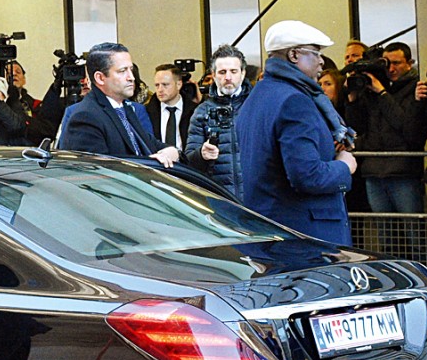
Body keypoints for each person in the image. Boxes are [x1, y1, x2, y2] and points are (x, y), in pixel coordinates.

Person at [232, 21, 356, 243]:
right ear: (294, 55)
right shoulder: (295, 101)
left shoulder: (256, 97)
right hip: (306, 237)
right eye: (315, 53)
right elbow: (308, 176)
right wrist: (344, 167)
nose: (321, 61)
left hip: (271, 229)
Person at [56, 43, 179, 166]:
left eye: (131, 70)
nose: (131, 77)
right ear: (100, 78)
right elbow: (101, 172)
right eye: (122, 71)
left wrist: (171, 151)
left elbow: (150, 144)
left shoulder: (124, 108)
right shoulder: (86, 117)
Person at [350, 42, 427, 214]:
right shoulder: (372, 88)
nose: (391, 69)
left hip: (403, 171)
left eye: (397, 63)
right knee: (383, 226)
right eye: (387, 63)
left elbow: (405, 125)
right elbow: (358, 127)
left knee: (412, 225)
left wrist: (382, 93)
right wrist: (352, 99)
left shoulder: (417, 88)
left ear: (409, 63)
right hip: (373, 170)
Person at [186, 45, 251, 192]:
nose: (228, 77)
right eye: (222, 72)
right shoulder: (202, 112)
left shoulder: (258, 105)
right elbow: (189, 160)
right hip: (219, 195)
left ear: (243, 74)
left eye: (233, 71)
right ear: (213, 75)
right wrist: (201, 154)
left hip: (255, 195)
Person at [144, 65, 194, 159]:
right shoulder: (146, 112)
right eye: (157, 85)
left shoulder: (194, 111)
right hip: (158, 163)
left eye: (165, 85)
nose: (160, 90)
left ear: (179, 84)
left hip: (187, 164)